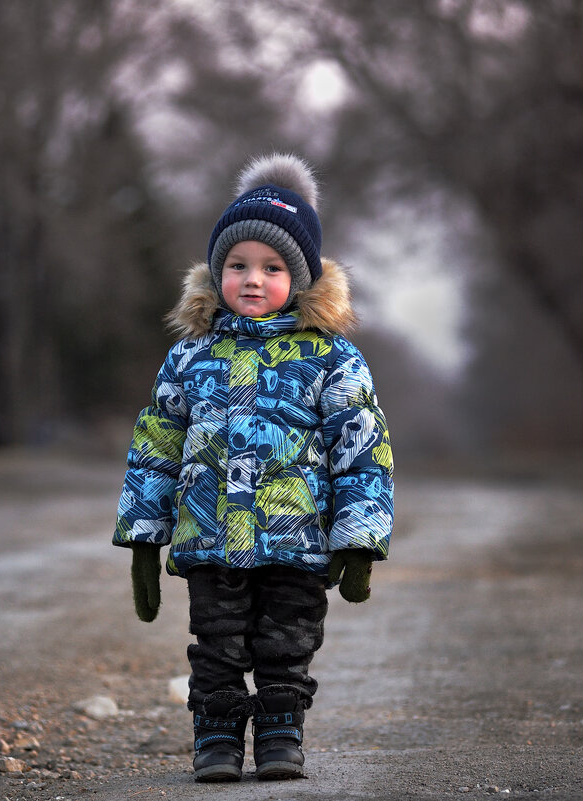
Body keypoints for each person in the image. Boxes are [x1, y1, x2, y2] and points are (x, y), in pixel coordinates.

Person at [113, 153, 394, 782]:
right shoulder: (190, 357)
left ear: (302, 278)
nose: (252, 279)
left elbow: (362, 449)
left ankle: (279, 737)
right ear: (216, 276)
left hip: (298, 540)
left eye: (271, 268)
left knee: (286, 648)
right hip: (211, 540)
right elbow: (157, 443)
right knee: (215, 646)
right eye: (236, 266)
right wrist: (143, 532)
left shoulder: (331, 359)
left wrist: (359, 538)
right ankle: (214, 741)